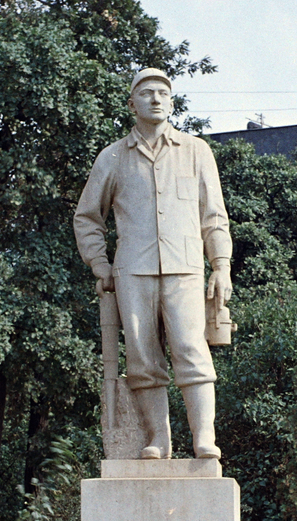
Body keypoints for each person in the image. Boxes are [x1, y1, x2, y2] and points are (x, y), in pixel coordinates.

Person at [73, 68, 232, 460]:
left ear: (172, 102)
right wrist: (99, 264)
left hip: (186, 268)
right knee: (142, 357)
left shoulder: (196, 151)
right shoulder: (112, 157)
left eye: (163, 92)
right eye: (146, 93)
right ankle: (158, 437)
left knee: (191, 349)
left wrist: (221, 264)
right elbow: (87, 217)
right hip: (132, 271)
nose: (156, 98)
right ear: (132, 104)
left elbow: (214, 217)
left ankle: (204, 437)